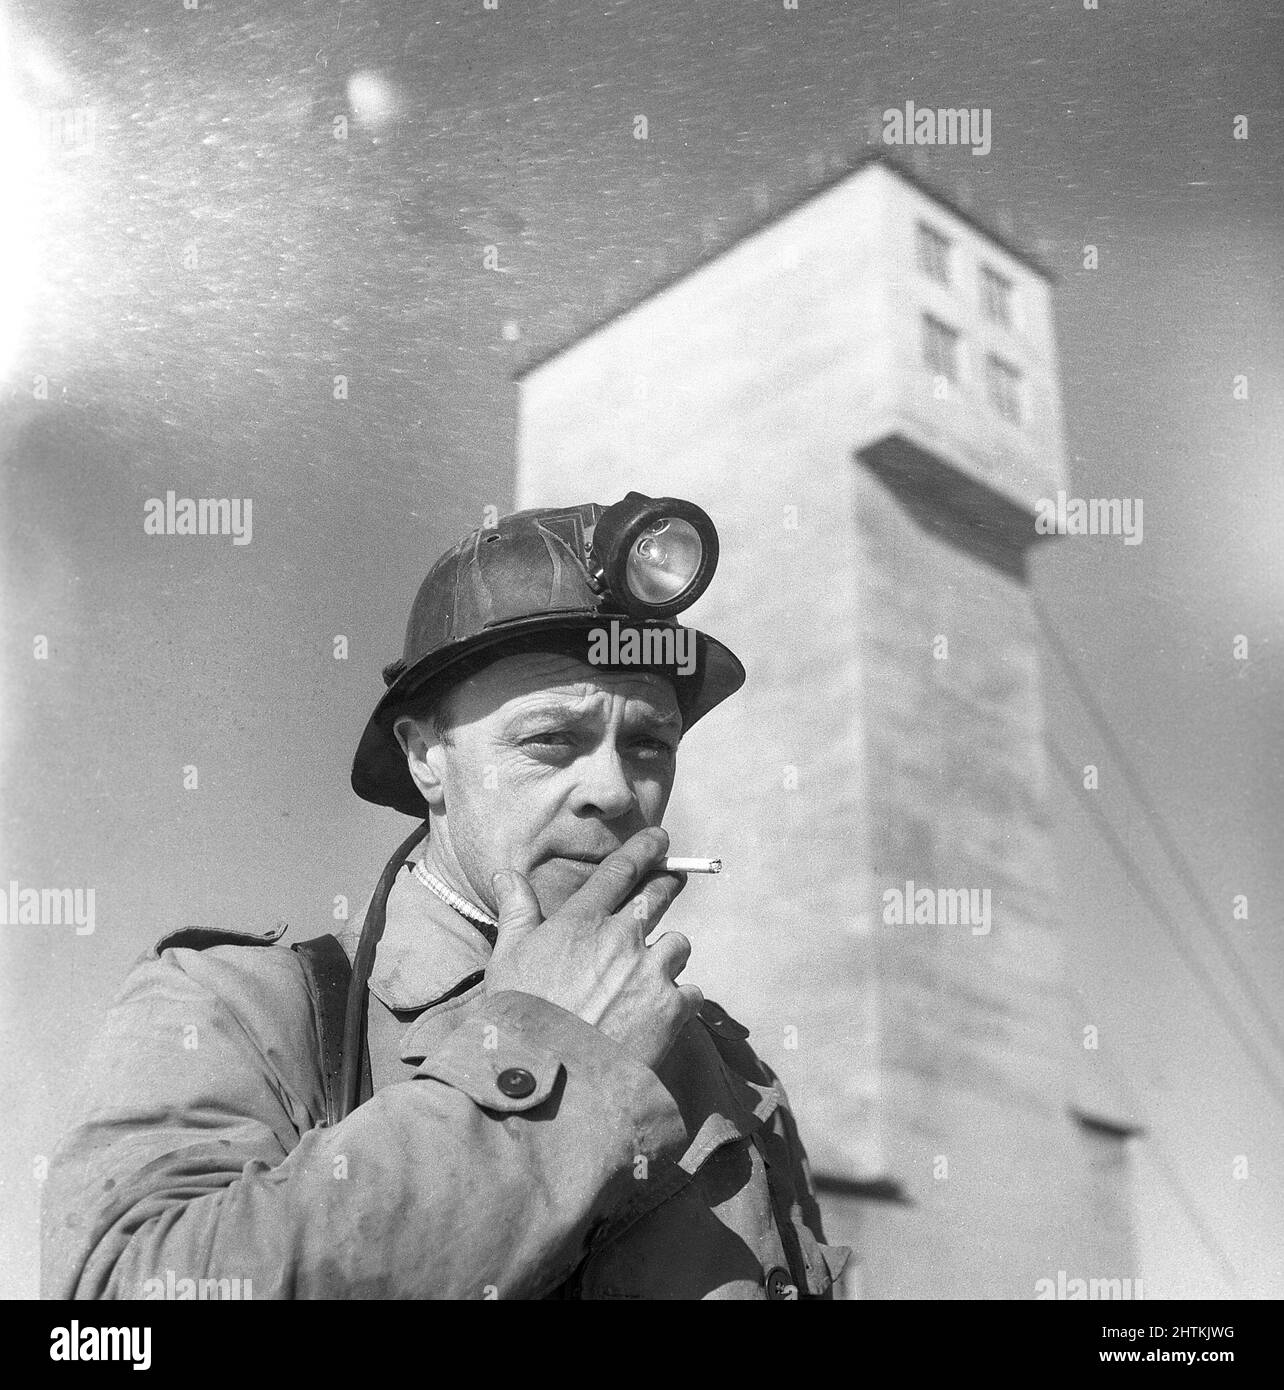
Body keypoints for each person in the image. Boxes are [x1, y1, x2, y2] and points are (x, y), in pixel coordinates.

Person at [42, 495, 850, 1300]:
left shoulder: (730, 1067)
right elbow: (119, 1307)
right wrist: (549, 1053)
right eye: (550, 740)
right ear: (427, 756)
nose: (612, 787)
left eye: (648, 744)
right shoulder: (239, 1009)